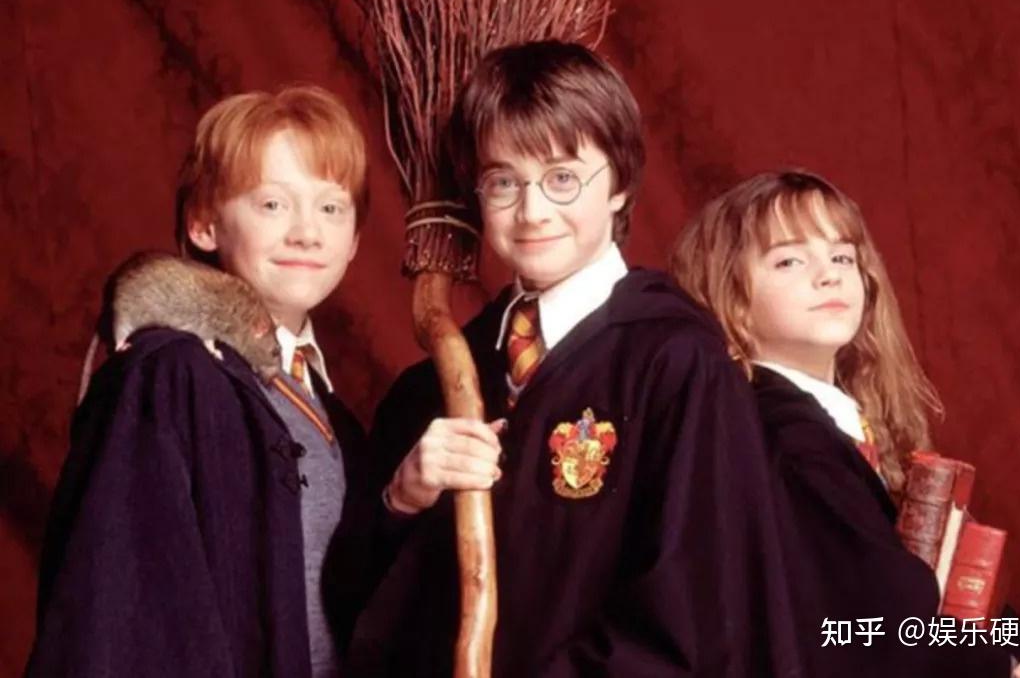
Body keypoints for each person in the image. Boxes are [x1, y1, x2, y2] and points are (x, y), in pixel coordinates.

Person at [339, 41, 802, 677]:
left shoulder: (675, 363)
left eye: (562, 177)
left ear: (620, 183)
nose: (532, 212)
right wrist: (402, 500)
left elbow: (694, 618)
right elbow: (353, 612)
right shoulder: (438, 386)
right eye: (504, 181)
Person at [27, 85, 369, 678]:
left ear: (356, 239)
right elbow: (119, 611)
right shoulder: (172, 378)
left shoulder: (335, 416)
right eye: (272, 204)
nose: (307, 233)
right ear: (205, 224)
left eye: (331, 208)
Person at [670, 169, 1020, 678]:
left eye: (842, 257)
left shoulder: (841, 425)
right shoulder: (782, 440)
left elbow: (927, 593)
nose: (828, 275)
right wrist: (1005, 663)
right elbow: (870, 627)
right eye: (789, 260)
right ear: (734, 301)